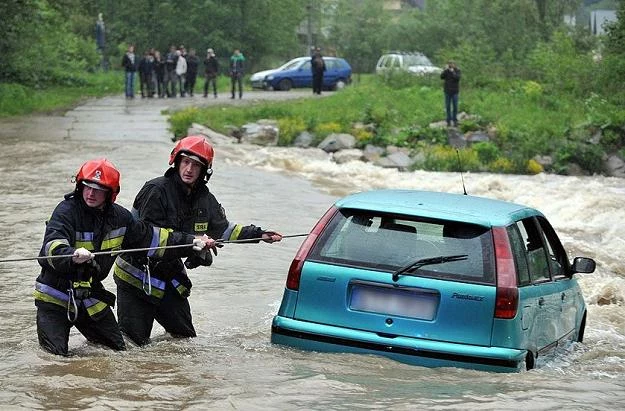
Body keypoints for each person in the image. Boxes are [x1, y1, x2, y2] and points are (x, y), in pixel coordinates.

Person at [113, 135, 283, 346]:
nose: (189, 169)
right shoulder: (156, 191)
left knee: (184, 340)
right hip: (137, 275)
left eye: (196, 165)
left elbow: (224, 230)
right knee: (134, 345)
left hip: (168, 275)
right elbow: (150, 237)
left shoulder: (205, 198)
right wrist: (193, 240)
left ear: (204, 171)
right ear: (176, 162)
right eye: (186, 162)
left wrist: (259, 234)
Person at [34, 158, 215, 356]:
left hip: (90, 295)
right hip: (55, 297)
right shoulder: (65, 211)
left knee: (118, 354)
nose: (91, 193)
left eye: (98, 189)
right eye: (87, 187)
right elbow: (51, 246)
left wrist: (191, 243)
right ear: (79, 187)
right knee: (54, 358)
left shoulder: (120, 217)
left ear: (110, 193)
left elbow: (154, 239)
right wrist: (71, 255)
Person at [440, 60, 461, 127]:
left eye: (452, 64)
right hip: (447, 91)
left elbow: (457, 78)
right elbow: (441, 77)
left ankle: (455, 120)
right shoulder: (446, 71)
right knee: (448, 106)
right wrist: (445, 70)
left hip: (455, 91)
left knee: (455, 106)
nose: (451, 65)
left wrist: (453, 72)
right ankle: (448, 120)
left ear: (455, 64)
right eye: (449, 64)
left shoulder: (457, 70)